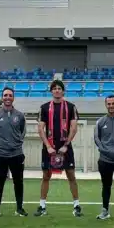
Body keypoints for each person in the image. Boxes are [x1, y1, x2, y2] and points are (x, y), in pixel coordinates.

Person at [35, 79, 81, 217]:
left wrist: (66, 145)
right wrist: (48, 146)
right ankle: (42, 206)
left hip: (65, 147)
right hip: (49, 147)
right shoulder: (44, 108)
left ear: (63, 91)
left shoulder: (71, 107)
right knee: (46, 176)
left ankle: (77, 205)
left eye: (59, 88)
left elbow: (74, 127)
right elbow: (40, 128)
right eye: (54, 88)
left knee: (71, 175)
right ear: (51, 91)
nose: (57, 90)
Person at [0, 87, 27, 217]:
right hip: (0, 154)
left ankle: (19, 208)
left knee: (18, 181)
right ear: (2, 97)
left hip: (16, 154)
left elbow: (23, 132)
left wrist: (15, 144)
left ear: (13, 97)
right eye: (5, 95)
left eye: (10, 95)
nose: (7, 97)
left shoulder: (20, 115)